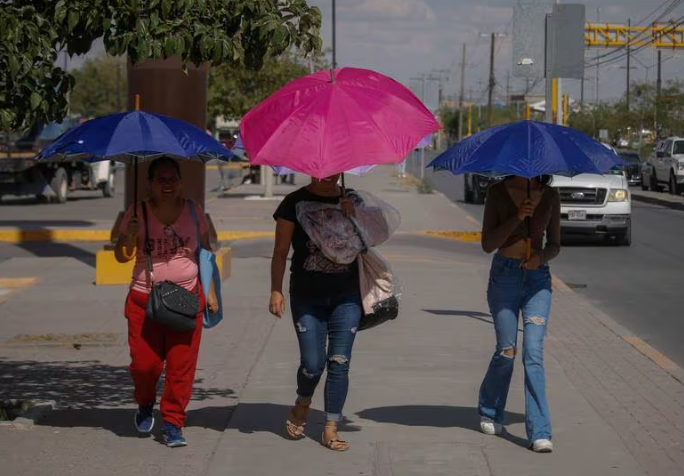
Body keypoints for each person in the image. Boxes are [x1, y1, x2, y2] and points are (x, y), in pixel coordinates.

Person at [114, 156, 219, 448]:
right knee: (144, 366)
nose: (168, 184)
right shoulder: (137, 212)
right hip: (144, 300)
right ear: (149, 184)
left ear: (180, 181)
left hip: (186, 300)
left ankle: (173, 422)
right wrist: (129, 236)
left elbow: (206, 253)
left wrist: (209, 292)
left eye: (172, 178)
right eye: (161, 179)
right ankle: (146, 403)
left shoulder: (194, 211)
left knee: (180, 367)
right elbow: (121, 256)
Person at [269, 173, 362, 452]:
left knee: (339, 361)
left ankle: (330, 427)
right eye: (323, 170)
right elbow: (280, 250)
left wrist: (355, 217)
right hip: (307, 296)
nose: (330, 175)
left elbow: (371, 240)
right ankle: (303, 401)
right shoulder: (293, 203)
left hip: (347, 296)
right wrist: (276, 289)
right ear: (311, 168)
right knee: (312, 364)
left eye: (335, 169)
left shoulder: (351, 198)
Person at [477, 175, 560, 453]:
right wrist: (518, 215)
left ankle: (540, 431)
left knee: (533, 353)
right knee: (507, 351)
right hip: (504, 277)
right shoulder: (498, 192)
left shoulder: (549, 195)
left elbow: (555, 244)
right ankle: (490, 409)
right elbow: (488, 244)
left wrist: (540, 258)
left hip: (537, 281)